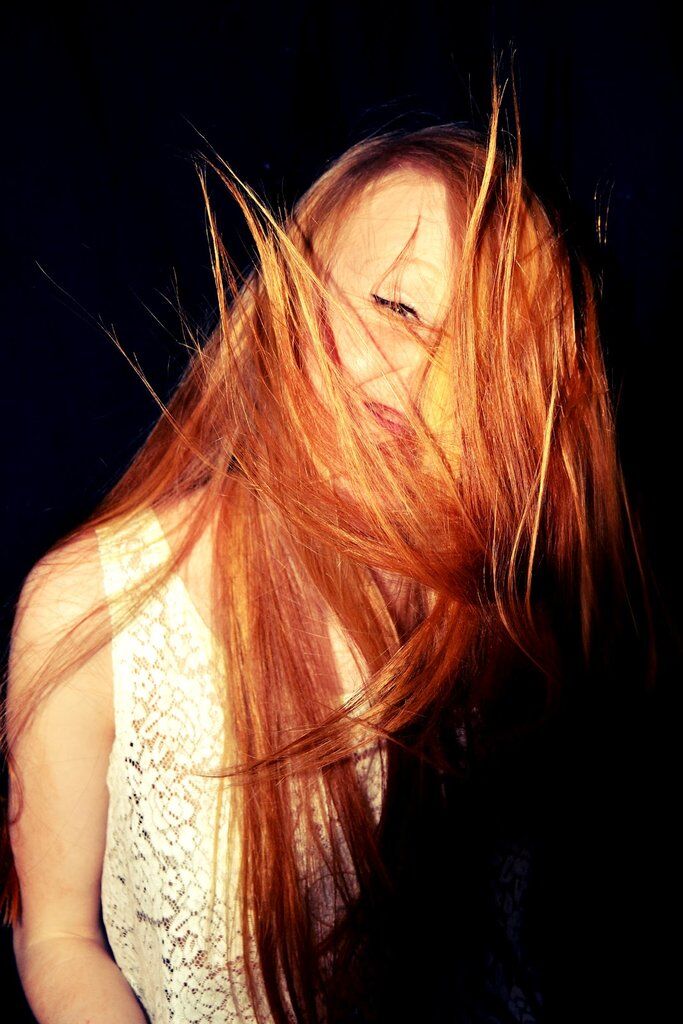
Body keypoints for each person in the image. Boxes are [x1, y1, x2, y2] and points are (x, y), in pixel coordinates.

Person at [0, 75, 655, 1024]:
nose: (425, 370)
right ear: (287, 298)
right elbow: (56, 935)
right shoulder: (91, 606)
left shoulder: (487, 625)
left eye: (483, 354)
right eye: (396, 305)